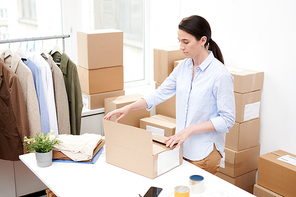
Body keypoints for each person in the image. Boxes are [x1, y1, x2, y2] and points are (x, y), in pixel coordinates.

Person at [104, 15, 235, 175]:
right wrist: (129, 107)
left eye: (186, 42)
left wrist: (190, 129)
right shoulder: (184, 67)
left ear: (202, 40)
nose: (181, 46)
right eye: (179, 41)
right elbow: (160, 93)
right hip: (181, 148)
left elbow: (227, 119)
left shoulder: (220, 75)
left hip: (204, 153)